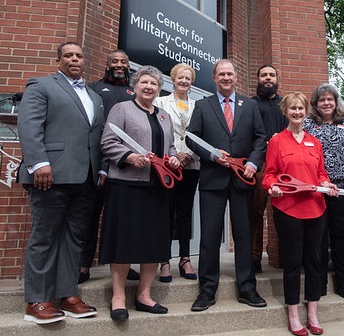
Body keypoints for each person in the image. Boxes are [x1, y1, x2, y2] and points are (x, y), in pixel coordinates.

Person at [17, 41, 102, 324]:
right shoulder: (41, 86)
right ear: (59, 60)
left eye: (79, 55)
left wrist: (99, 169)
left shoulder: (93, 96)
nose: (75, 59)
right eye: (69, 55)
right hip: (50, 176)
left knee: (74, 238)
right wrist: (38, 163)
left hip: (86, 179)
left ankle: (67, 294)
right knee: (45, 236)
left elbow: (96, 138)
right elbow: (29, 125)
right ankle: (37, 300)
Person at [99, 65, 180, 321]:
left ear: (159, 88)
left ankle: (144, 295)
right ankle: (119, 297)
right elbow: (107, 142)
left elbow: (170, 147)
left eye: (154, 84)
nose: (149, 87)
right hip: (127, 184)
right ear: (135, 85)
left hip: (157, 187)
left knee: (153, 243)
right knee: (124, 243)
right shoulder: (121, 109)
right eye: (144, 82)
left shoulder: (164, 117)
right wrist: (130, 157)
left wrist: (175, 159)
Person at [185, 59, 267, 312]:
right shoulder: (202, 105)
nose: (226, 78)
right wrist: (210, 155)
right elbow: (191, 138)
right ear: (214, 77)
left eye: (230, 73)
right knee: (209, 237)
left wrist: (253, 163)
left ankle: (247, 288)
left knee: (243, 235)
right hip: (213, 179)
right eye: (221, 74)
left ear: (235, 77)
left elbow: (260, 138)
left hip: (243, 178)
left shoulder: (250, 105)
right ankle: (207, 291)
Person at [263, 92, 338, 336]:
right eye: (293, 108)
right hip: (288, 209)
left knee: (315, 262)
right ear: (286, 111)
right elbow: (270, 174)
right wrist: (272, 186)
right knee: (293, 262)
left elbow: (321, 173)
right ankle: (294, 314)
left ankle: (313, 312)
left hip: (316, 208)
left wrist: (327, 184)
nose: (297, 112)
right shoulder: (277, 141)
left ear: (306, 112)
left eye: (301, 108)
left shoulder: (315, 143)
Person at [79, 49, 139, 284]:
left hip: (127, 165)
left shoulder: (133, 92)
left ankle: (124, 263)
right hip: (97, 163)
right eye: (114, 61)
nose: (119, 65)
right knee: (90, 216)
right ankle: (83, 265)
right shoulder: (93, 89)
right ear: (107, 65)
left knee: (124, 219)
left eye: (123, 62)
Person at [304, 83, 344, 300]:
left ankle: (343, 281)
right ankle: (320, 282)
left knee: (340, 235)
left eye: (330, 99)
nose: (326, 103)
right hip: (317, 188)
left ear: (336, 102)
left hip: (343, 188)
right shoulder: (308, 124)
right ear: (315, 104)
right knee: (318, 236)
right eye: (322, 100)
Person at [153, 63, 200, 282]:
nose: (184, 81)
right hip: (168, 165)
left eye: (188, 78)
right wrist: (172, 156)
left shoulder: (198, 105)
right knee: (165, 211)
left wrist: (188, 153)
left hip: (191, 165)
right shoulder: (160, 102)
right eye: (180, 77)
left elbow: (200, 134)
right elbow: (157, 132)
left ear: (191, 82)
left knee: (185, 212)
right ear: (173, 79)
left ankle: (184, 258)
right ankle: (164, 260)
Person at [251, 64, 287, 274]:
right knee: (256, 211)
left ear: (276, 78)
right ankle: (254, 258)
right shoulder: (251, 104)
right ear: (258, 78)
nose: (267, 78)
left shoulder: (285, 104)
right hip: (260, 163)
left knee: (286, 211)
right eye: (263, 75)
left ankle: (286, 255)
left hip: (284, 164)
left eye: (271, 75)